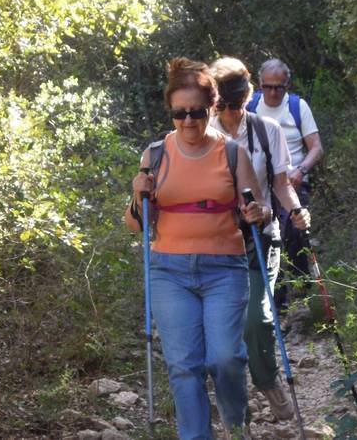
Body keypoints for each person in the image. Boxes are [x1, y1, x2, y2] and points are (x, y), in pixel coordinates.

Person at [124, 57, 270, 440]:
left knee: (225, 359)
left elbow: (259, 209)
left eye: (197, 112)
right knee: (184, 365)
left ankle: (237, 427)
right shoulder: (155, 155)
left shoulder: (233, 152)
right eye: (179, 113)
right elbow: (135, 224)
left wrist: (258, 212)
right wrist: (138, 197)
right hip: (169, 270)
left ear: (213, 107)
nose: (188, 121)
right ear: (171, 112)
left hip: (224, 268)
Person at [208, 57, 311, 423]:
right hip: (217, 243)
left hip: (262, 237)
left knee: (257, 318)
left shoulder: (267, 130)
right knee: (224, 326)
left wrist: (297, 212)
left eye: (234, 98)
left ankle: (269, 385)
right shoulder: (200, 134)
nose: (231, 107)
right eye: (226, 99)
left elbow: (281, 185)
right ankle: (233, 401)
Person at [247, 58, 324, 307]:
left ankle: (304, 294)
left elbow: (316, 148)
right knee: (266, 236)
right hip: (260, 184)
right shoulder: (250, 106)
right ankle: (275, 300)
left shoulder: (297, 106)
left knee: (296, 233)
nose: (272, 92)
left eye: (278, 87)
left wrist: (301, 170)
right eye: (267, 86)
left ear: (286, 85)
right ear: (259, 84)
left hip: (293, 181)